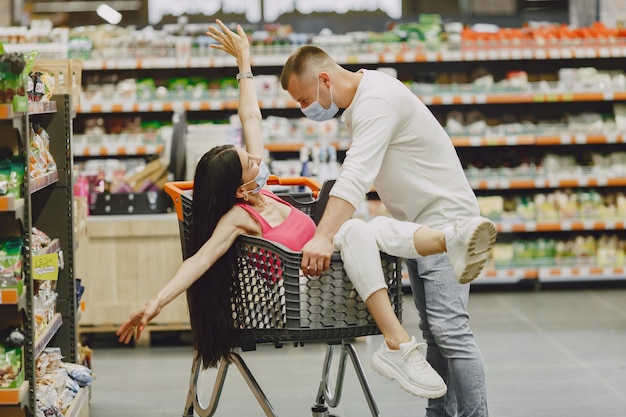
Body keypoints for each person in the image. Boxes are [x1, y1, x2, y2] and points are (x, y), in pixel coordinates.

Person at [115, 20, 488, 401]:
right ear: (240, 187)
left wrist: (245, 64)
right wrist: (155, 302)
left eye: (303, 99)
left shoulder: (267, 188)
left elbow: (251, 119)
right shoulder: (240, 216)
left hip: (339, 274)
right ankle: (402, 335)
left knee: (368, 236)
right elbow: (200, 259)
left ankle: (448, 242)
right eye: (250, 162)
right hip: (305, 296)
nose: (259, 160)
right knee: (361, 233)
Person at [280, 43, 496, 416]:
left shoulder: (376, 101)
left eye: (304, 100)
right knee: (436, 333)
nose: (307, 110)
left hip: (445, 221)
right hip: (417, 225)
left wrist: (323, 236)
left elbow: (355, 177)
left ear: (325, 80)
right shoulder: (365, 99)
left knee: (451, 333)